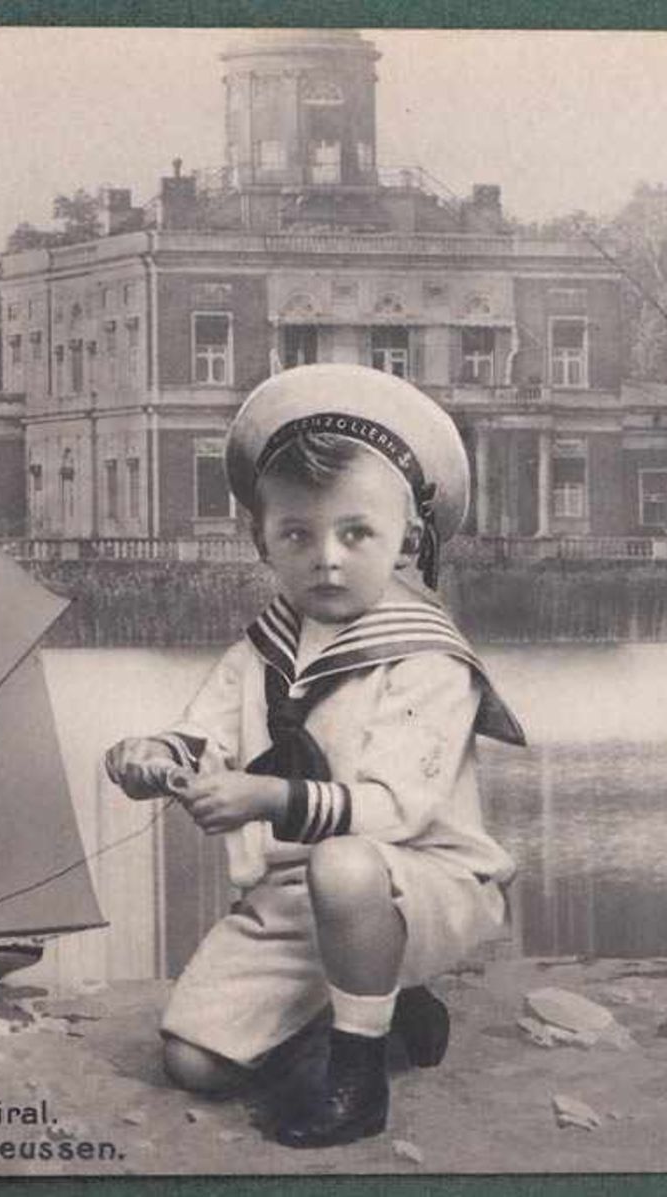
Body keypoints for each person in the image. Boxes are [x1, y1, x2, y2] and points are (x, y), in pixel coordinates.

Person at [104, 364, 526, 1148]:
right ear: (260, 539)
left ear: (409, 540)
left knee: (346, 864)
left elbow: (392, 810)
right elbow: (208, 736)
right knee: (193, 1061)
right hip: (299, 890)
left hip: (421, 880)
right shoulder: (265, 646)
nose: (326, 558)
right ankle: (383, 1012)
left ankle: (357, 1077)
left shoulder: (426, 655)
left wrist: (262, 800)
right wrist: (152, 754)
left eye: (356, 532)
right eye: (298, 533)